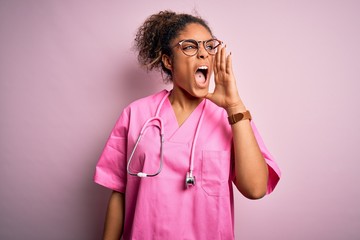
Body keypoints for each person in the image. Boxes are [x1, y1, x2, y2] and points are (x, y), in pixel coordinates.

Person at [94, 10, 281, 240]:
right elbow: (120, 193)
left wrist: (234, 104)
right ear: (168, 61)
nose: (203, 53)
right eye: (190, 47)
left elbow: (256, 189)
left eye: (209, 47)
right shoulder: (137, 114)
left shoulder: (231, 118)